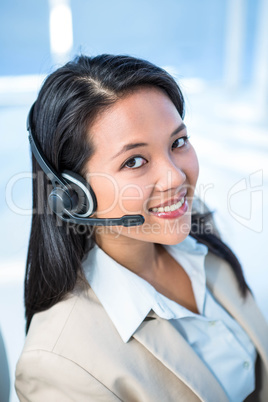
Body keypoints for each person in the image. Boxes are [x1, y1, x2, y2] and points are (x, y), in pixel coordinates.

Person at [15, 54, 268, 402]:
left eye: (178, 142)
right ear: (73, 195)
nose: (176, 177)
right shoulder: (57, 366)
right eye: (134, 161)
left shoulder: (195, 225)